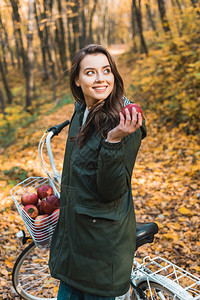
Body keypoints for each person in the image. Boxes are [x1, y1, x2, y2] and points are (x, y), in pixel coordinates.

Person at [49, 44, 146, 300]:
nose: (101, 78)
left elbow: (111, 191)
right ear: (78, 81)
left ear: (114, 74)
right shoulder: (82, 109)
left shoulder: (121, 121)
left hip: (101, 248)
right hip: (75, 239)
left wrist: (113, 141)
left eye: (106, 70)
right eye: (90, 72)